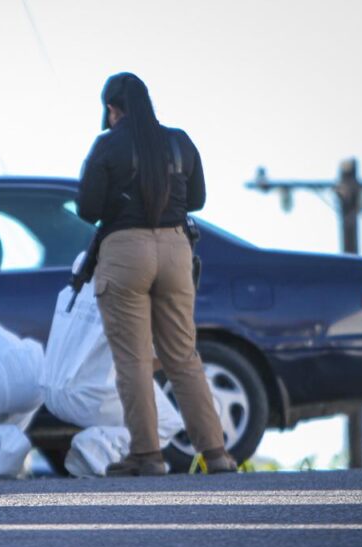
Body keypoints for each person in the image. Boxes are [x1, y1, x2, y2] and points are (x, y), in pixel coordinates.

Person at [76, 72, 237, 476]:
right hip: (176, 249)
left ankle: (147, 455)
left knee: (133, 360)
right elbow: (196, 198)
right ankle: (216, 453)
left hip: (125, 252)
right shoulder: (180, 142)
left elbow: (87, 208)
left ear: (113, 109)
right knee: (183, 356)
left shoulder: (108, 144)